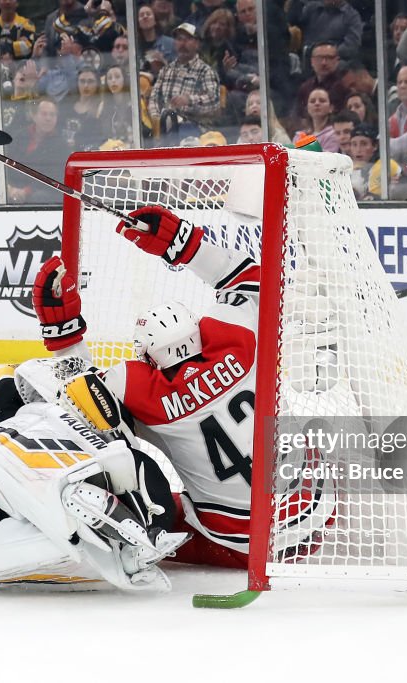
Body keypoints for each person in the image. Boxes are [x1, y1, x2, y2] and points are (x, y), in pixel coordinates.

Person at [33, 205, 270, 567]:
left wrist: (63, 333)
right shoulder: (237, 335)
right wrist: (183, 243)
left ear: (148, 354)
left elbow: (79, 403)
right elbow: (252, 276)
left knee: (126, 486)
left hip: (238, 543)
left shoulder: (140, 389)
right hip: (319, 511)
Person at [0, 359, 187, 592]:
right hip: (41, 510)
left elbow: (56, 382)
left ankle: (155, 528)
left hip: (76, 454)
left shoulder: (0, 385)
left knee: (128, 461)